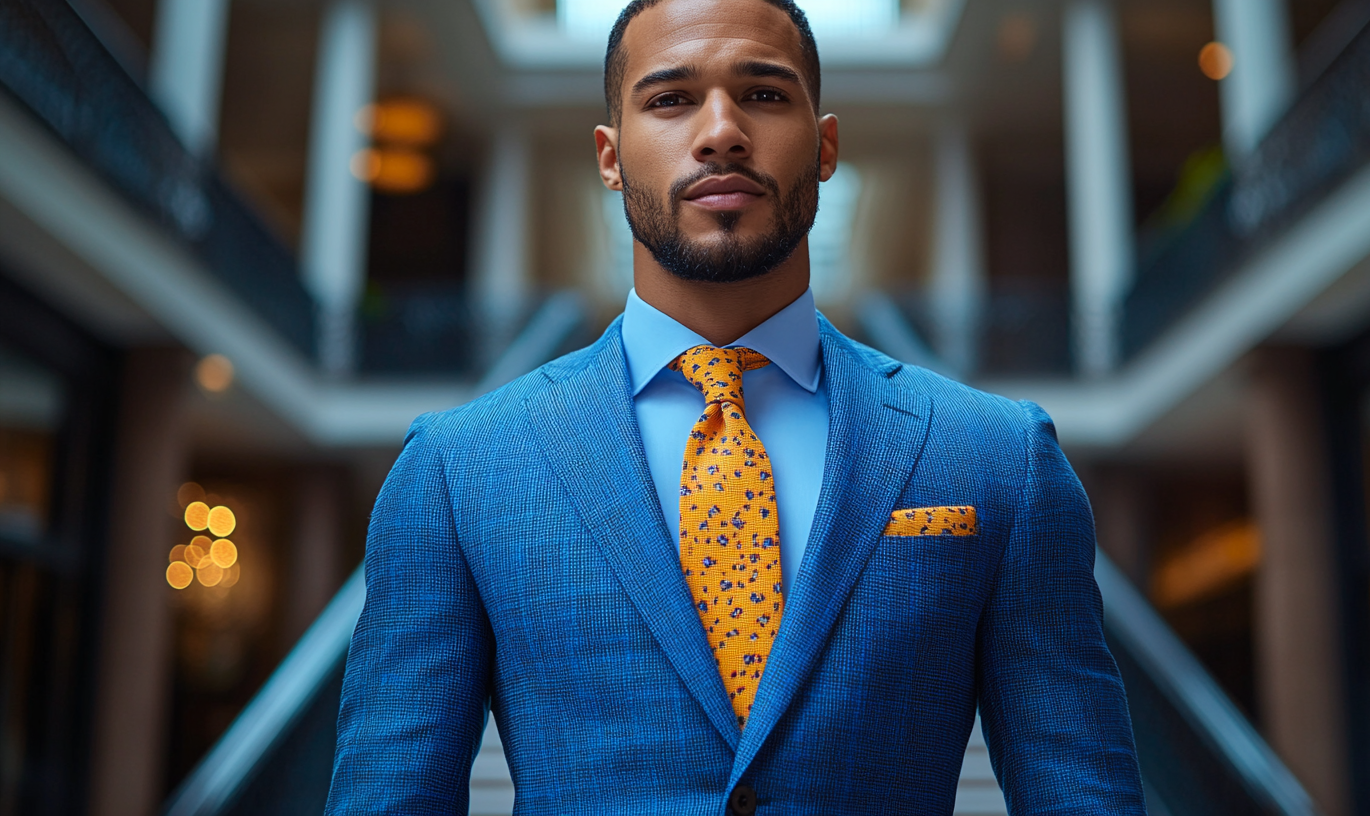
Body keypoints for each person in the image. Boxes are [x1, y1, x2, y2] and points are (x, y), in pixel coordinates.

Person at [325, 0, 1145, 813]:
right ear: (609, 158)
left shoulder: (1000, 458)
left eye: (763, 94)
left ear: (825, 147)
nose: (721, 131)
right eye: (670, 99)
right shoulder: (456, 468)